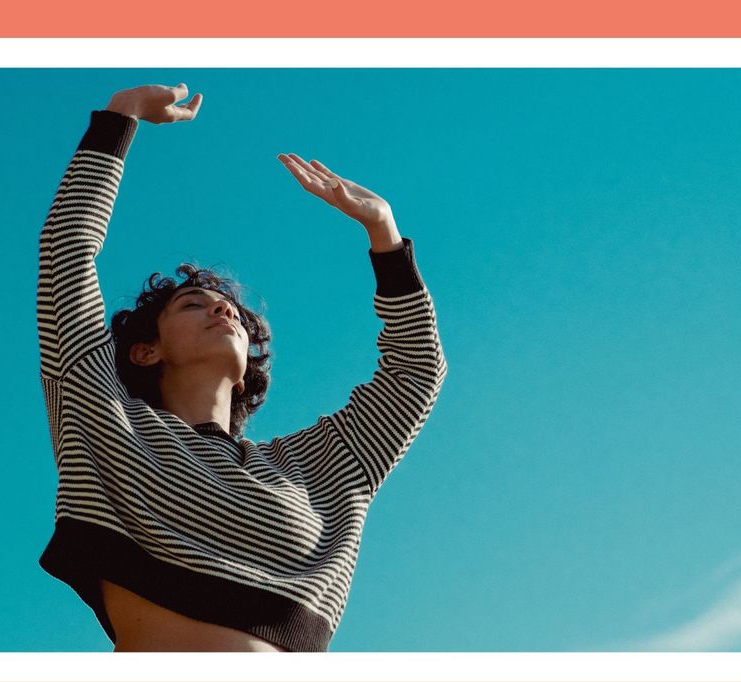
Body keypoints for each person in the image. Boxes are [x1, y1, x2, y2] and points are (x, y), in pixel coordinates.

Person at [35, 83, 447, 652]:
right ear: (144, 350)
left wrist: (385, 234)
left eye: (228, 306)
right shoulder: (102, 415)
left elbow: (416, 372)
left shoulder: (319, 467)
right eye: (192, 304)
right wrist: (119, 115)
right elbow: (66, 252)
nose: (223, 307)